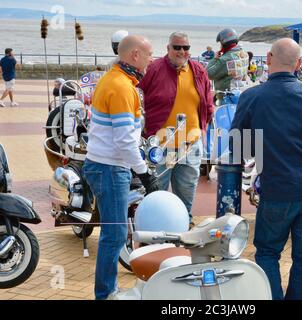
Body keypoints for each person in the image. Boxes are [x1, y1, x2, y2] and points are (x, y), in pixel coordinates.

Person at [230, 38, 302, 300]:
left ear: (268, 59)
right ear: (299, 63)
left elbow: (239, 147)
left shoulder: (251, 97)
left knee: (268, 252)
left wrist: (262, 147)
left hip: (277, 188)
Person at [82, 35, 159, 300]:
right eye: (150, 54)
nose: (152, 59)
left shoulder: (115, 79)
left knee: (113, 233)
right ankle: (106, 293)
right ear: (135, 55)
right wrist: (144, 172)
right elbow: (125, 139)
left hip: (105, 165)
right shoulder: (122, 87)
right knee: (114, 235)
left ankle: (107, 290)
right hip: (109, 167)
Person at [138, 32, 213, 226]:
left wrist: (203, 127)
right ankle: (154, 226)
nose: (182, 51)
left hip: (190, 143)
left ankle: (183, 224)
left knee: (187, 190)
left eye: (185, 47)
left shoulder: (198, 70)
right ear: (168, 48)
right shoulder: (154, 69)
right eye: (177, 47)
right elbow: (138, 96)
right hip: (160, 144)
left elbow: (207, 101)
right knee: (156, 191)